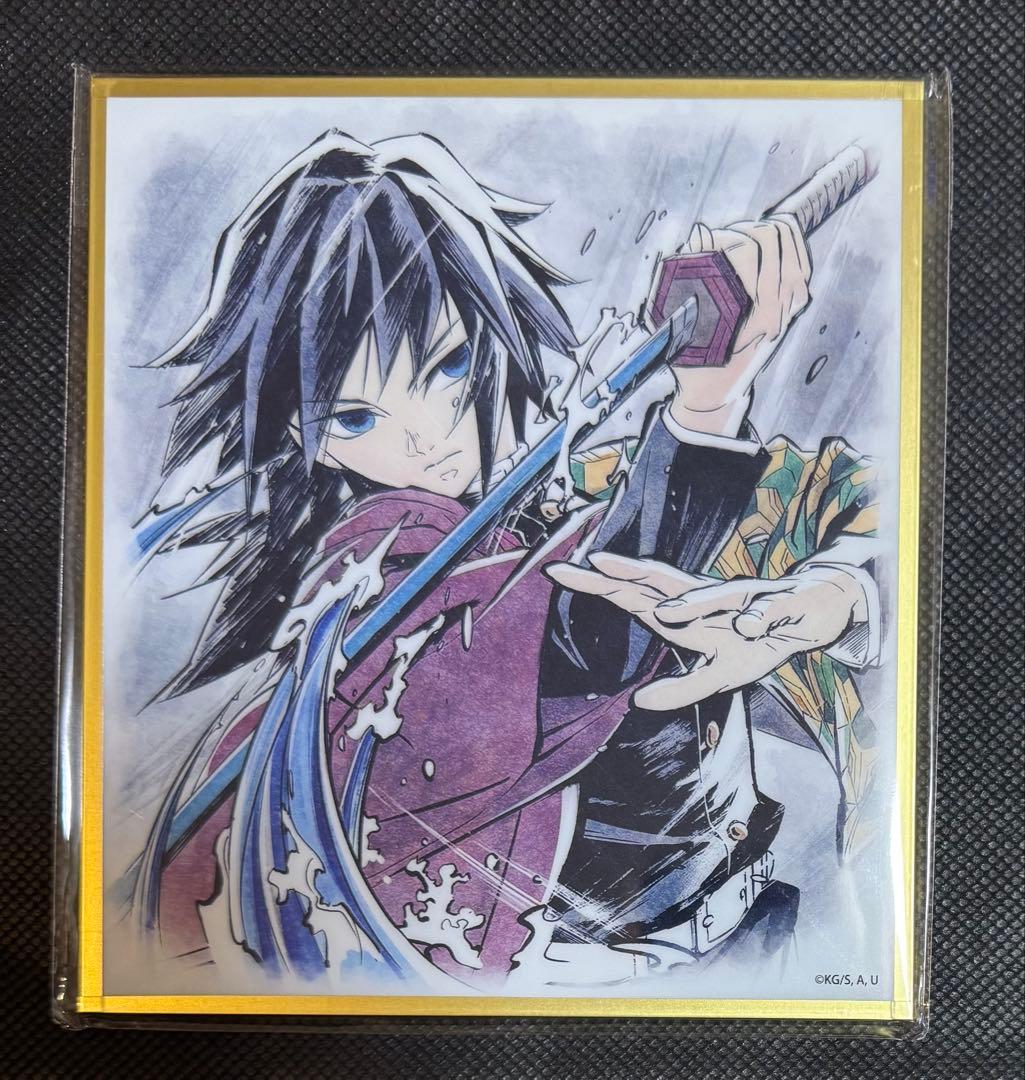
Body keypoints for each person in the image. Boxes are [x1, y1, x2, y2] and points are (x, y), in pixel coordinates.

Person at [140, 130, 880, 987]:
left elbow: (846, 510)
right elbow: (589, 642)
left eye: (449, 367)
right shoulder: (381, 571)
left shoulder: (576, 485)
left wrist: (834, 592)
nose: (426, 439)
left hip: (748, 926)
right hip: (609, 983)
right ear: (307, 439)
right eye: (355, 417)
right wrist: (704, 412)